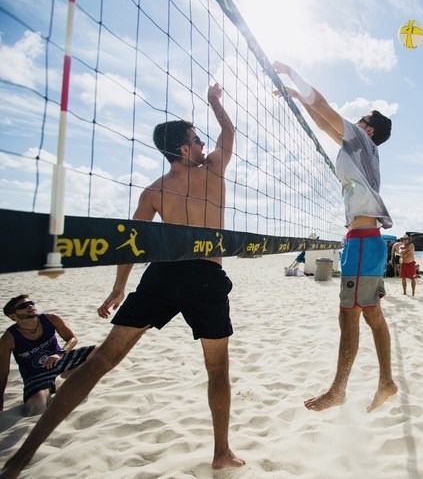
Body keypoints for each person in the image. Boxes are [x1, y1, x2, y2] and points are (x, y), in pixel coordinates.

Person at [1, 84, 245, 478]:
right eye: (197, 140)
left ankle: (22, 457)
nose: (203, 145)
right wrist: (216, 103)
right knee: (217, 371)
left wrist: (119, 288)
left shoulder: (153, 191)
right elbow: (230, 134)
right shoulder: (213, 170)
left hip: (162, 274)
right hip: (204, 275)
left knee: (100, 362)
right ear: (184, 149)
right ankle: (221, 453)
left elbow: (131, 244)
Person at [273, 61, 397, 413]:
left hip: (363, 243)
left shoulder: (360, 141)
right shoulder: (358, 147)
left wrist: (294, 76)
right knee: (370, 314)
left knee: (350, 316)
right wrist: (300, 100)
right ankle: (385, 381)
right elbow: (323, 119)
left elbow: (326, 109)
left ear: (368, 129)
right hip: (363, 242)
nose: (354, 121)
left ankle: (340, 389)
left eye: (360, 118)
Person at [1, 296, 95, 416]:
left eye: (31, 303)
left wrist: (60, 353)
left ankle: (64, 376)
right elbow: (3, 373)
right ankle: (53, 385)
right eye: (23, 306)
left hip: (59, 361)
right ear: (13, 316)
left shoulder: (50, 318)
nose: (30, 306)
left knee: (98, 351)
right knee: (36, 407)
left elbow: (72, 338)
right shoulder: (8, 338)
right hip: (35, 375)